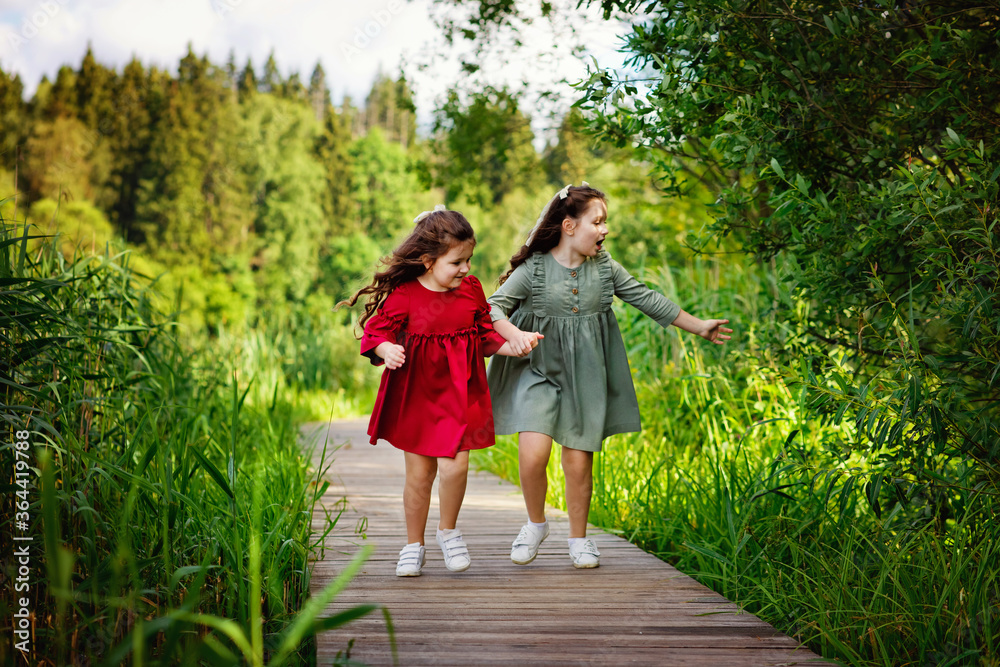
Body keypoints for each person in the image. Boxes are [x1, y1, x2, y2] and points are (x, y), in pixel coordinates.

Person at [487, 183, 733, 569]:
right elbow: (493, 308)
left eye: (606, 222)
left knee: (578, 461)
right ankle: (536, 524)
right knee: (533, 454)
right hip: (536, 369)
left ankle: (579, 538)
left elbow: (646, 297)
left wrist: (698, 325)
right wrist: (514, 335)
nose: (604, 230)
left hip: (586, 373)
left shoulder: (604, 268)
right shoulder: (533, 269)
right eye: (597, 222)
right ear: (569, 226)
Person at [343, 206, 538, 577]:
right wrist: (386, 350)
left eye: (469, 260)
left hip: (459, 394)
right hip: (417, 396)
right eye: (457, 262)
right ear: (428, 261)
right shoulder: (405, 295)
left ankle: (448, 531)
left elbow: (483, 334)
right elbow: (375, 333)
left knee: (456, 466)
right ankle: (413, 544)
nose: (465, 268)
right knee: (419, 476)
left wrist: (511, 346)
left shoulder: (471, 289)